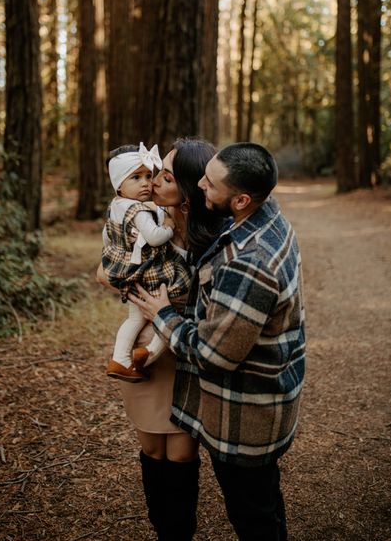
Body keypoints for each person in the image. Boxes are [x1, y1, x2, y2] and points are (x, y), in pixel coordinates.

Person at [130, 142, 305, 541]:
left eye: (209, 184)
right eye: (203, 175)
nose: (201, 186)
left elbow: (211, 355)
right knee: (263, 502)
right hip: (266, 395)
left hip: (246, 414)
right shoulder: (264, 218)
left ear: (241, 199)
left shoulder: (249, 263)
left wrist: (163, 315)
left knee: (252, 516)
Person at [97, 138, 224, 540]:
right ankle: (162, 527)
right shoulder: (143, 216)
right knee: (152, 448)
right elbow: (105, 270)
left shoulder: (211, 230)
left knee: (182, 452)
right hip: (146, 345)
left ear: (187, 187)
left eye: (164, 176)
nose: (152, 182)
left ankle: (179, 531)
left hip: (186, 346)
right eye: (152, 174)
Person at [102, 142, 192, 383]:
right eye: (136, 178)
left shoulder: (115, 208)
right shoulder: (139, 210)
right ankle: (149, 352)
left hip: (130, 273)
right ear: (119, 184)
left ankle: (120, 359)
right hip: (153, 274)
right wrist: (168, 228)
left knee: (134, 319)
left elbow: (107, 238)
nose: (145, 183)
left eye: (147, 176)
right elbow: (154, 238)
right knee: (172, 311)